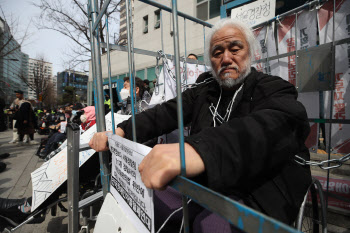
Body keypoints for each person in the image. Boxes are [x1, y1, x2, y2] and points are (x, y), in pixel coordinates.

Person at [89, 18, 311, 231]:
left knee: (211, 226)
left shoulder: (272, 88)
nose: (226, 58)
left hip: (260, 186)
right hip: (209, 181)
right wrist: (121, 131)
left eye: (235, 49)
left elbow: (272, 125)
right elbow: (164, 113)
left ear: (251, 53)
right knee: (153, 198)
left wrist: (198, 151)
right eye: (217, 52)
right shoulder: (204, 92)